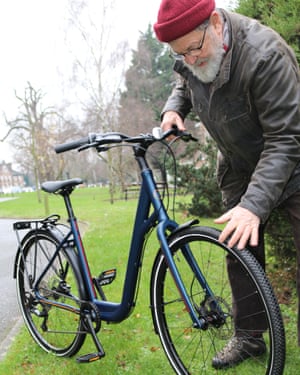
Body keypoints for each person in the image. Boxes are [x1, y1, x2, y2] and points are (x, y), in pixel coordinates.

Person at [154, 0, 300, 369]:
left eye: (193, 48)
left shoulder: (265, 55)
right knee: (240, 253)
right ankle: (249, 338)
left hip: (293, 163)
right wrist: (174, 109)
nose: (189, 58)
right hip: (238, 166)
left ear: (215, 22)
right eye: (179, 52)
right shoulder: (196, 52)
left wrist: (254, 206)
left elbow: (285, 139)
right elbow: (185, 77)